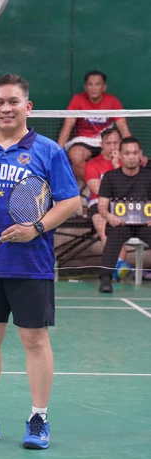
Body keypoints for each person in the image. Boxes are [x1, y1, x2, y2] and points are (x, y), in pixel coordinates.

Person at [0, 74, 80, 450]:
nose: (6, 108)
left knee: (34, 340)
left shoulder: (48, 151)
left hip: (32, 263)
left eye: (13, 101)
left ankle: (39, 418)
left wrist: (37, 227)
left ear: (27, 107)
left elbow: (71, 201)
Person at [57, 71, 132, 182]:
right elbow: (67, 126)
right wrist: (58, 150)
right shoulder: (78, 100)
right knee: (75, 156)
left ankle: (113, 186)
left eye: (97, 84)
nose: (93, 88)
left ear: (104, 87)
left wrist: (131, 149)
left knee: (121, 156)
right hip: (84, 141)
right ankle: (93, 187)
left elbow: (124, 129)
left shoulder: (113, 101)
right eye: (90, 84)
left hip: (106, 140)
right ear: (85, 87)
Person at [97, 137, 151, 293]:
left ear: (140, 154)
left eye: (135, 153)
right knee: (112, 239)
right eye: (127, 153)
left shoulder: (149, 176)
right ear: (120, 155)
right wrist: (109, 217)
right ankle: (106, 279)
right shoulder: (110, 177)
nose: (132, 156)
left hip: (144, 224)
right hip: (120, 224)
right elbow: (102, 207)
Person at [85, 128, 129, 274]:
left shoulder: (127, 164)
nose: (113, 147)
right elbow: (98, 190)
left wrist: (117, 165)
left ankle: (117, 267)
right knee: (107, 231)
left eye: (116, 143)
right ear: (101, 144)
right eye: (109, 143)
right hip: (99, 206)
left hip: (125, 207)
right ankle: (118, 266)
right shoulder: (92, 165)